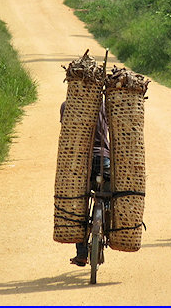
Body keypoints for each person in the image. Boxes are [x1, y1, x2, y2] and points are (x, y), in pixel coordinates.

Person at [60, 100, 110, 266]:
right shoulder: (104, 106)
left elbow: (66, 132)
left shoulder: (66, 105)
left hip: (79, 161)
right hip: (104, 159)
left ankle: (81, 254)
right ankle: (109, 226)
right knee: (109, 194)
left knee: (79, 206)